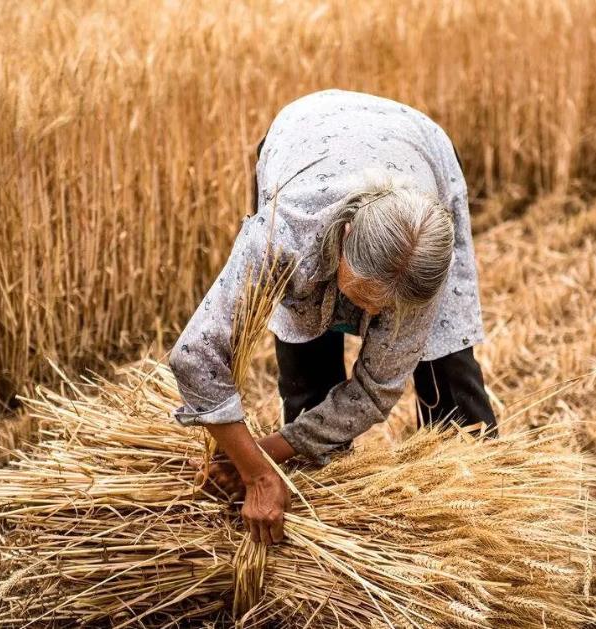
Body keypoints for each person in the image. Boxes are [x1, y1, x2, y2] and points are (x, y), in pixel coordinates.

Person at [169, 89, 496, 545]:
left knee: (448, 375)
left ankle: (480, 518)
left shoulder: (425, 260)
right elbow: (195, 356)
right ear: (344, 237)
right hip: (306, 137)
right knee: (307, 371)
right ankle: (322, 521)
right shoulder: (283, 236)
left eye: (386, 309)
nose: (369, 316)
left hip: (419, 146)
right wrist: (257, 471)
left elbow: (373, 391)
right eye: (362, 294)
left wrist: (261, 454)